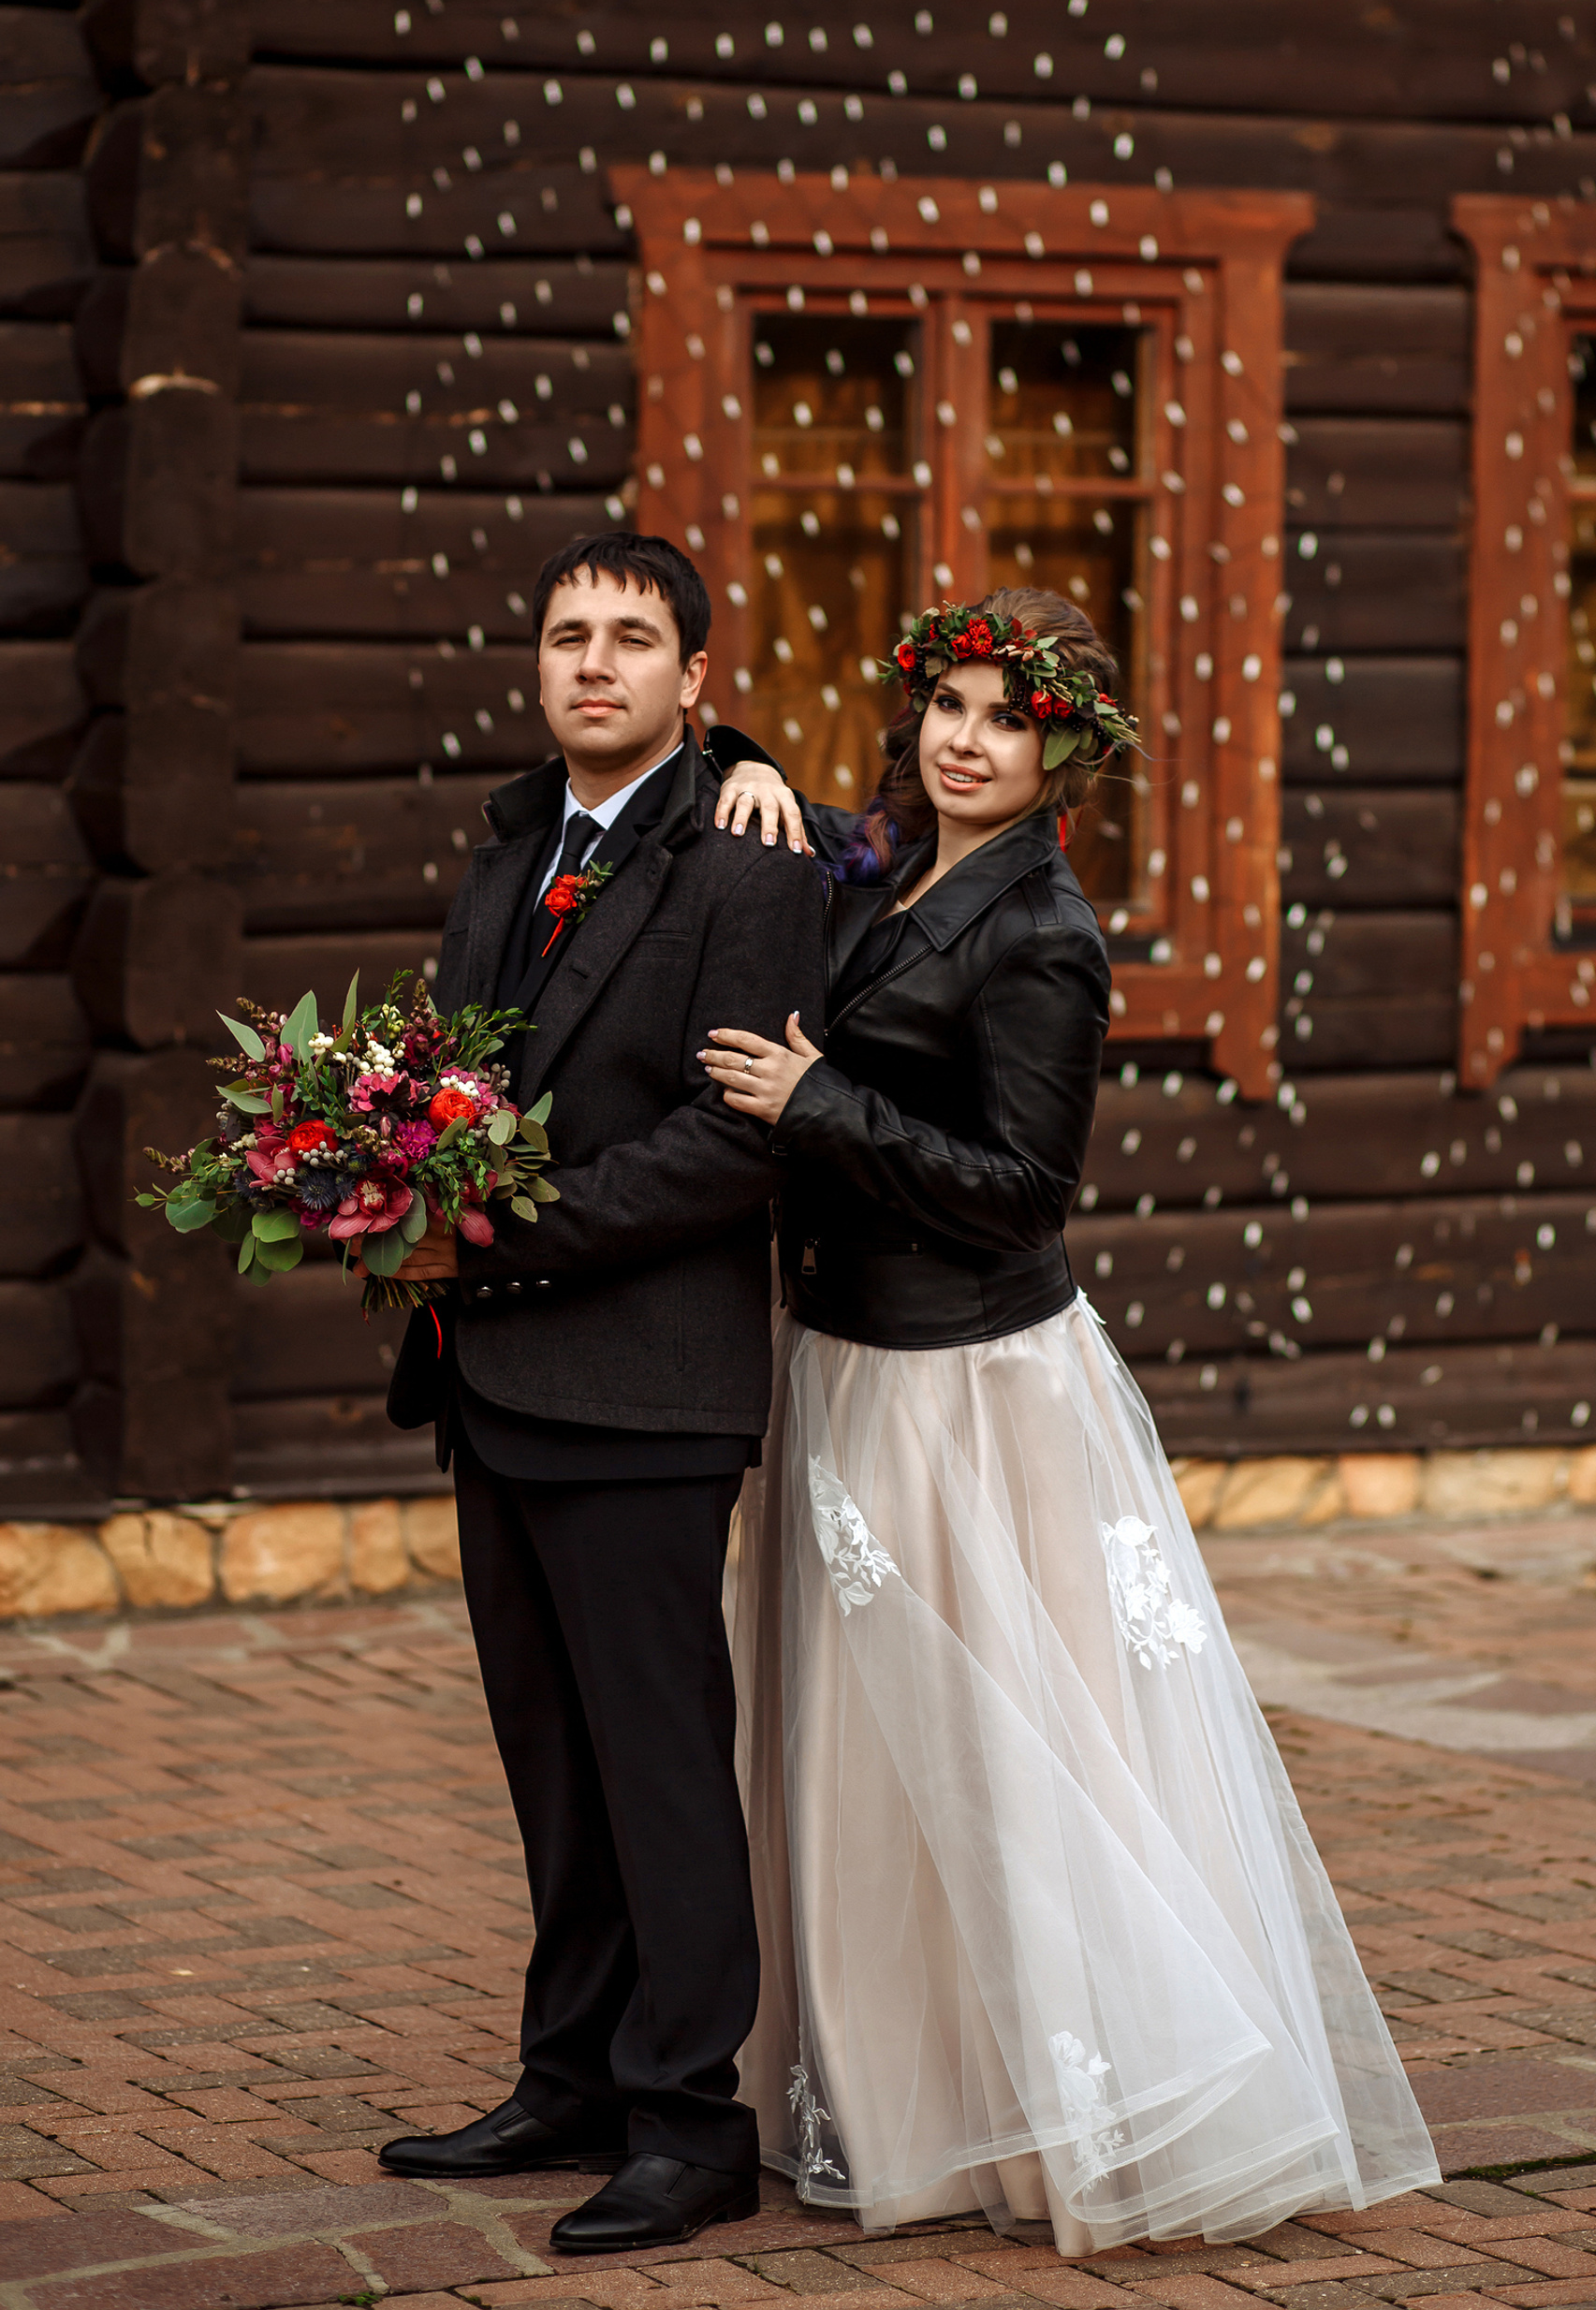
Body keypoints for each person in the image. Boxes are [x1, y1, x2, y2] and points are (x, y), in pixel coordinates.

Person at [696, 587, 1440, 2253]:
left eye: (1003, 720)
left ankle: (1061, 2112)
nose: (966, 740)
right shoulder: (901, 863)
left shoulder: (1045, 933)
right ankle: (910, 2098)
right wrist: (739, 760)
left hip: (963, 1391)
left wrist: (821, 1104)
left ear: (1060, 756)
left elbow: (1023, 1193)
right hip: (846, 1361)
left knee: (996, 1751)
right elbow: (822, 848)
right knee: (870, 1755)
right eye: (948, 707)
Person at [370, 531, 827, 2259]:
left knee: (656, 1762)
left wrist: (493, 1241)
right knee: (550, 1761)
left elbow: (733, 1141)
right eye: (568, 635)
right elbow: (445, 1086)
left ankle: (688, 2120)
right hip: (490, 1381)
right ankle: (566, 2073)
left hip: (644, 1384)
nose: (592, 663)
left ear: (695, 680)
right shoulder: (505, 851)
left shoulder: (747, 854)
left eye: (632, 640)